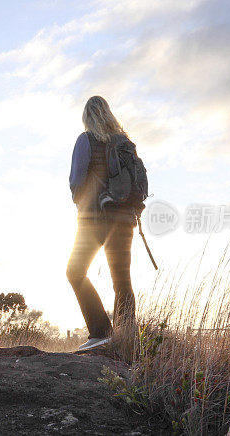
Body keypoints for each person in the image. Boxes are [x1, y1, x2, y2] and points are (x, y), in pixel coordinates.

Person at [67, 96, 138, 352]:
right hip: (125, 221)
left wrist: (80, 203)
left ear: (88, 117)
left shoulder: (86, 140)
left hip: (94, 219)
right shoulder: (126, 144)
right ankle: (127, 340)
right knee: (122, 282)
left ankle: (101, 332)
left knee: (75, 272)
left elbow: (76, 179)